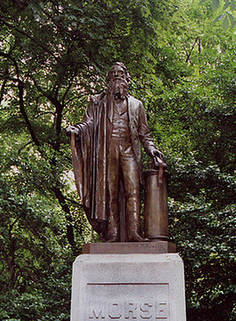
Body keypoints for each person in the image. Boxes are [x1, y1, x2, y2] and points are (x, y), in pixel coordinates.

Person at [67, 62, 164, 242]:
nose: (117, 76)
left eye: (121, 73)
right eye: (113, 74)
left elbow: (145, 134)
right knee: (109, 193)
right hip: (107, 152)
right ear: (108, 80)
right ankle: (112, 234)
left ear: (127, 78)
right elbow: (88, 123)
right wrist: (77, 131)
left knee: (132, 191)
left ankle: (134, 232)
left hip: (129, 152)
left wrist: (152, 150)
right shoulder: (97, 103)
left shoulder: (137, 105)